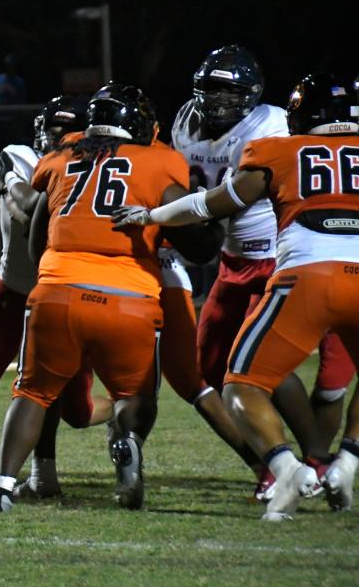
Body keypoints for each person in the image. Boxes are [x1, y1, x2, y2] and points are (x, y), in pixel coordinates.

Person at [112, 73, 359, 520]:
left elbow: (210, 204)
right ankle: (347, 462)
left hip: (304, 272)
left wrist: (150, 214)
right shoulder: (199, 124)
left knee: (241, 384)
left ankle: (289, 468)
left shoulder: (278, 147)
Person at [0, 84, 215, 513]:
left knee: (31, 392)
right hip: (130, 296)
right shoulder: (161, 160)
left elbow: (37, 243)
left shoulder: (57, 159)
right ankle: (127, 444)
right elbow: (192, 233)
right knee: (134, 396)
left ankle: (3, 487)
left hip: (58, 290)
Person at [171, 45, 343, 499]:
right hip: (231, 256)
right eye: (211, 89)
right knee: (208, 363)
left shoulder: (271, 124)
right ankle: (265, 464)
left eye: (230, 92)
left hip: (274, 252)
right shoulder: (185, 122)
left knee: (264, 362)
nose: (219, 100)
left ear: (251, 95)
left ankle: (315, 461)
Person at [0, 96, 87, 487]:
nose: (59, 139)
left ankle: (120, 425)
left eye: (69, 132)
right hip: (13, 292)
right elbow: (24, 207)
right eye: (54, 131)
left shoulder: (93, 170)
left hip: (61, 294)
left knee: (76, 408)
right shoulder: (20, 156)